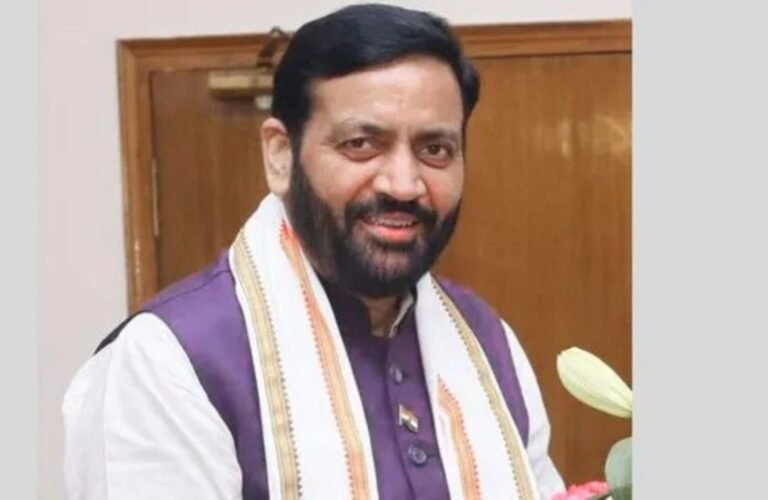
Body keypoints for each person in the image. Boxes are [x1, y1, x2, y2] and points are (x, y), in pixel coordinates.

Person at [63, 4, 565, 499]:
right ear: (281, 156)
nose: (403, 184)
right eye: (361, 144)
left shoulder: (488, 344)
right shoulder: (169, 361)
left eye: (435, 150)